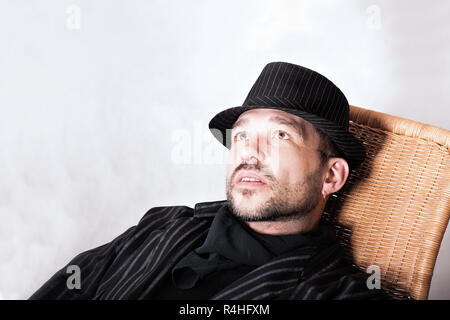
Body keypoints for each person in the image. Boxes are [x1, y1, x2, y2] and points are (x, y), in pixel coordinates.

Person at [30, 62, 390, 300]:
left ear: (331, 176)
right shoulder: (164, 224)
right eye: (243, 136)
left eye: (281, 136)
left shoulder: (338, 293)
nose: (250, 152)